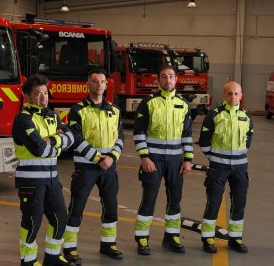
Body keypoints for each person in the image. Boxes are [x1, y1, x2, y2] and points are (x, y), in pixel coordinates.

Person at [63, 69, 125, 264]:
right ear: (87, 85)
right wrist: (99, 158)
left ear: (106, 85)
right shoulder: (77, 110)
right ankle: (69, 248)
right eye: (95, 82)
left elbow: (120, 137)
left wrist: (112, 158)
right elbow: (76, 139)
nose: (99, 85)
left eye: (102, 82)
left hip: (108, 168)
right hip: (86, 168)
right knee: (77, 208)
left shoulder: (114, 110)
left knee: (111, 206)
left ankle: (108, 244)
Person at [13, 74, 75, 266]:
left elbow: (72, 138)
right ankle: (28, 261)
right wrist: (58, 141)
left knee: (60, 218)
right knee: (32, 222)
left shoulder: (53, 116)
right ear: (27, 96)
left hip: (52, 180)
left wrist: (52, 140)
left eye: (45, 93)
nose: (43, 97)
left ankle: (53, 257)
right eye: (38, 94)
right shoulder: (23, 120)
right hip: (31, 182)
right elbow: (39, 149)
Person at [133, 65, 193, 255]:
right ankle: (142, 238)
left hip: (176, 161)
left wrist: (188, 159)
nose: (168, 80)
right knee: (148, 199)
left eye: (171, 77)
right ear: (158, 80)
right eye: (164, 77)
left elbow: (187, 134)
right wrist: (144, 157)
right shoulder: (148, 102)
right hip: (154, 161)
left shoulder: (183, 104)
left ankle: (171, 237)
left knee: (175, 200)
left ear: (176, 80)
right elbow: (139, 132)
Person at [199, 81, 253, 253]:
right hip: (218, 168)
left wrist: (237, 158)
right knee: (213, 203)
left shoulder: (247, 118)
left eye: (236, 93)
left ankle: (235, 239)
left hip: (240, 169)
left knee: (239, 204)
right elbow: (204, 142)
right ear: (224, 95)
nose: (233, 97)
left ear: (241, 95)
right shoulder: (214, 115)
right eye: (229, 93)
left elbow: (247, 142)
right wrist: (215, 159)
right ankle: (207, 238)